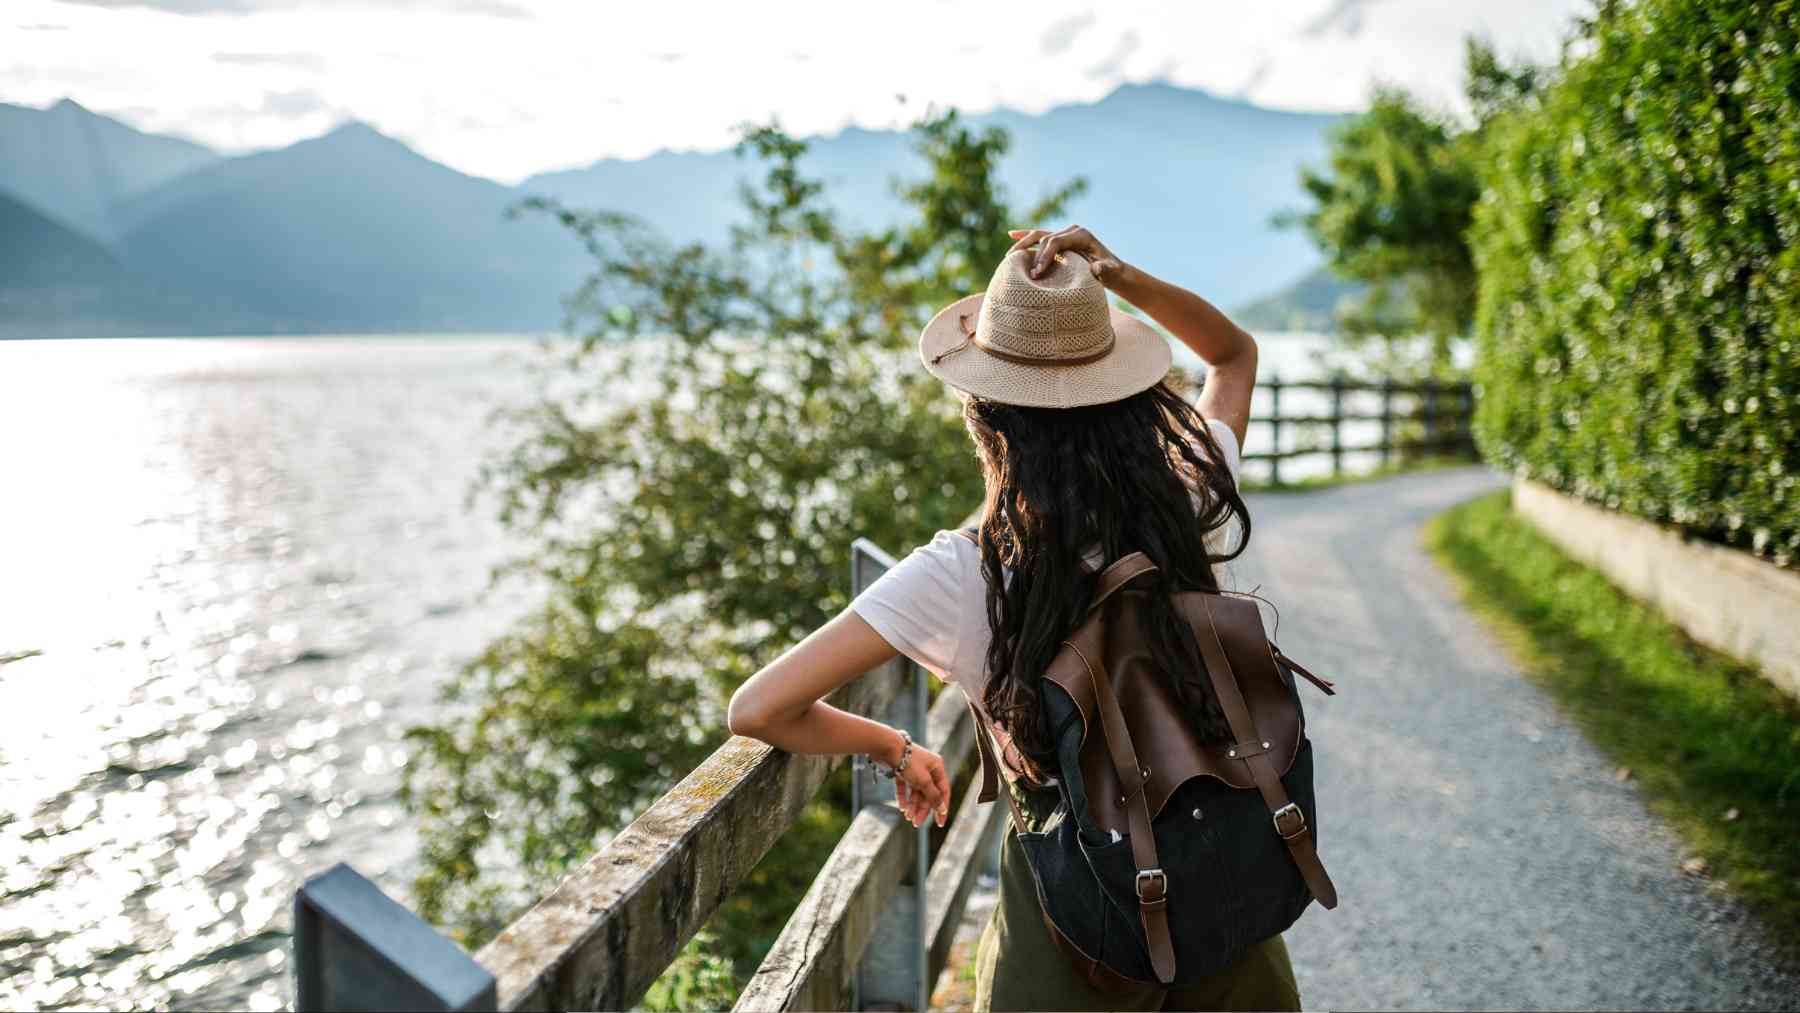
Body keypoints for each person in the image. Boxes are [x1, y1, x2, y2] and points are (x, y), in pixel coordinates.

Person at [726, 224, 1299, 1011]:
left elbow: (758, 708)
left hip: (1076, 910)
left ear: (986, 415)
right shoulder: (1186, 492)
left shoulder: (963, 570)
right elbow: (1233, 354)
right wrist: (1117, 273)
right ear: (1126, 392)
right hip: (1219, 870)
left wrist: (894, 747)